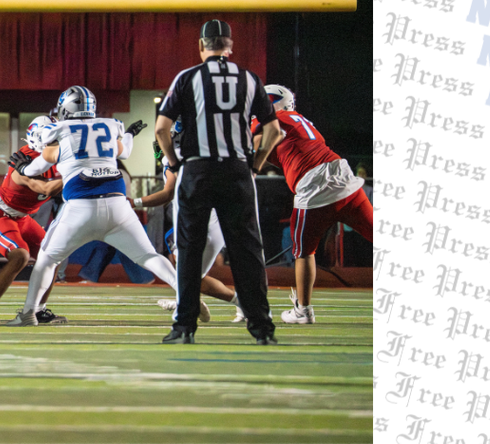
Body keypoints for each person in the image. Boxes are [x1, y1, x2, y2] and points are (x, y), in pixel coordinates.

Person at [5, 86, 179, 326]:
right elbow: (125, 151)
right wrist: (129, 133)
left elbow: (36, 168)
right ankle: (185, 295)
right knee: (149, 256)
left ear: (66, 109)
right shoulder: (108, 127)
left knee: (46, 259)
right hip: (118, 205)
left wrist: (23, 167)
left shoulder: (60, 132)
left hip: (81, 206)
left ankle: (28, 314)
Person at [155, 19, 279, 345]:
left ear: (201, 46)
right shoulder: (249, 79)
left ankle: (184, 328)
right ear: (230, 46)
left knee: (189, 251)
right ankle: (262, 328)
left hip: (197, 169)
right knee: (247, 251)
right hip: (237, 170)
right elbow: (273, 130)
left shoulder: (188, 78)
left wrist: (174, 162)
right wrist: (255, 165)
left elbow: (161, 129)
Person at [253, 85, 373, 324]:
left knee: (304, 252)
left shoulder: (273, 119)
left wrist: (249, 167)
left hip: (314, 187)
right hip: (342, 177)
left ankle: (304, 310)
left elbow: (258, 140)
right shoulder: (300, 120)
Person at [134, 122, 243, 323]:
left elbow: (167, 193)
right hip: (217, 221)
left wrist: (136, 202)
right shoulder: (213, 154)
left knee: (187, 275)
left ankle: (184, 305)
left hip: (195, 222)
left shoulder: (174, 157)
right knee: (192, 277)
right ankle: (241, 304)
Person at [0, 116, 65, 325]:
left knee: (53, 256)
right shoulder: (25, 160)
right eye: (53, 138)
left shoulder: (59, 158)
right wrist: (78, 173)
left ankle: (39, 310)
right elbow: (45, 188)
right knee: (20, 256)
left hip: (23, 217)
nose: (58, 142)